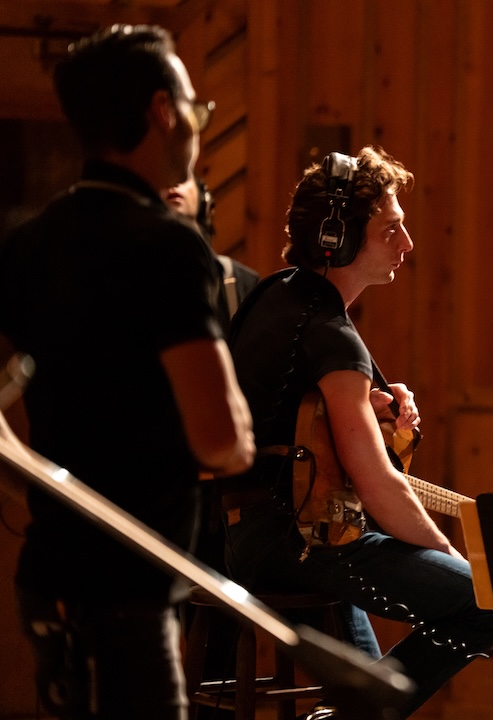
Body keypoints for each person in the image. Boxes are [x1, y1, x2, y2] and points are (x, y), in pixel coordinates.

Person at [0, 24, 255, 720]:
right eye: (198, 111)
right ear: (162, 112)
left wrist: (27, 481)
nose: (199, 127)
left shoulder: (28, 242)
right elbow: (220, 440)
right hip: (128, 587)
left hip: (47, 574)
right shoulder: (167, 246)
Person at [222, 145, 493, 717]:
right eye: (391, 230)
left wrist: (367, 411)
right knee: (488, 601)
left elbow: (292, 423)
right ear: (339, 241)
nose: (407, 244)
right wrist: (452, 558)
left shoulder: (272, 295)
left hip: (250, 539)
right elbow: (377, 483)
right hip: (304, 544)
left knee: (371, 699)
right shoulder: (332, 335)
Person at [162, 176, 260, 327]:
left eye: (183, 178)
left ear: (205, 201)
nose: (173, 185)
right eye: (163, 181)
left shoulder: (242, 281)